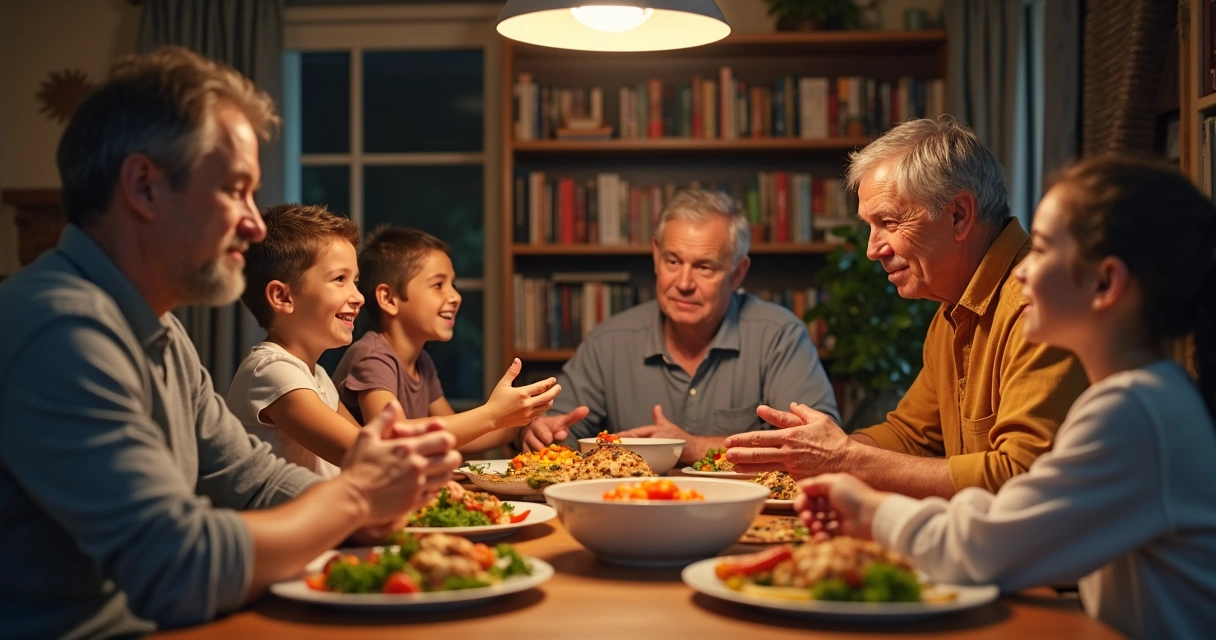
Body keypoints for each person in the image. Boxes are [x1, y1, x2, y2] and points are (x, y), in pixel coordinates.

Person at [0, 47, 461, 639]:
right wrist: (354, 499)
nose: (254, 223)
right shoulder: (62, 329)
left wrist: (370, 512)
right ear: (144, 187)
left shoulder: (160, 330)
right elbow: (176, 565)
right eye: (235, 189)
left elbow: (251, 480)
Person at [795, 156, 1216, 639]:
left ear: (1104, 283)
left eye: (1039, 249)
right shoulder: (1145, 398)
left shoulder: (1134, 411)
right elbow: (1010, 515)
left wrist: (870, 509)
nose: (1019, 272)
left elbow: (988, 546)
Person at [726, 117, 1088, 498]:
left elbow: (1020, 478)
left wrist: (844, 457)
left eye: (889, 221)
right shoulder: (952, 309)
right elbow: (910, 434)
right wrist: (815, 449)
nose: (872, 249)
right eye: (869, 225)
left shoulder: (1042, 304)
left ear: (959, 215)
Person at [519, 189, 839, 464]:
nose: (683, 283)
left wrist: (692, 447)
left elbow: (819, 444)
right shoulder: (609, 341)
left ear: (738, 273)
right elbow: (558, 433)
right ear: (656, 255)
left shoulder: (779, 335)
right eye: (673, 262)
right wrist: (542, 431)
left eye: (704, 267)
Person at [331, 226, 561, 452]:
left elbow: (460, 435)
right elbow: (393, 433)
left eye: (453, 284)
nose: (455, 296)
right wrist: (493, 413)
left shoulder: (422, 363)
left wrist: (524, 424)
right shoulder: (372, 357)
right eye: (438, 285)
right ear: (388, 298)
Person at [227, 203, 367, 478]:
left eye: (356, 281)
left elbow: (371, 444)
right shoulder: (270, 371)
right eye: (340, 279)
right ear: (282, 297)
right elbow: (362, 454)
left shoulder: (317, 376)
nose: (358, 297)